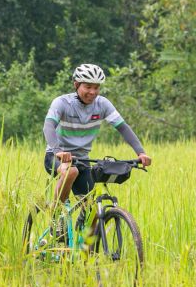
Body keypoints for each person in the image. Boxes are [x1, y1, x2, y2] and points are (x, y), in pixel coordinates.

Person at [43, 64, 151, 205]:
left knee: (91, 210)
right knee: (70, 172)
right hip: (56, 157)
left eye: (96, 87)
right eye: (88, 87)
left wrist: (141, 153)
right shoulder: (62, 103)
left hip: (82, 160)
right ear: (76, 84)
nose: (93, 92)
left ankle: (92, 226)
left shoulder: (102, 104)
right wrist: (58, 151)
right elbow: (48, 126)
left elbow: (123, 128)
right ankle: (56, 217)